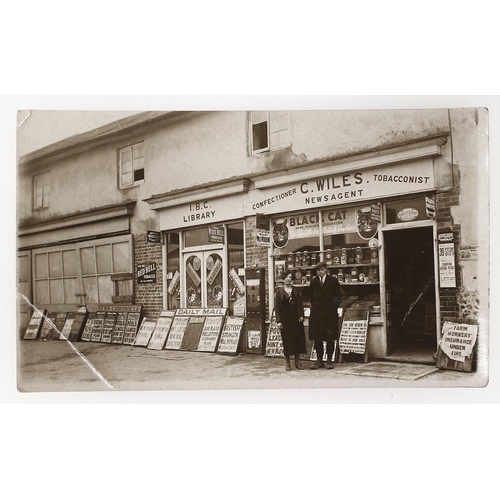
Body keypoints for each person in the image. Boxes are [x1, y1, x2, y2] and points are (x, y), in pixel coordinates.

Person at [308, 261, 342, 369]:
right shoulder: (313, 282)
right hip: (317, 313)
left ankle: (329, 360)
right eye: (318, 270)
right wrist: (315, 308)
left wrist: (333, 307)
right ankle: (319, 360)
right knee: (317, 338)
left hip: (329, 313)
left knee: (329, 337)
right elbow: (312, 297)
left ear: (326, 269)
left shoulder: (333, 281)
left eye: (322, 269)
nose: (320, 272)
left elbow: (338, 296)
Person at [275, 272, 306, 371]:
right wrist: (278, 321)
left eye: (290, 277)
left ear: (292, 280)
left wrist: (301, 315)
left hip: (296, 319)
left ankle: (297, 362)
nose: (288, 279)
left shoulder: (296, 291)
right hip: (285, 321)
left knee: (297, 340)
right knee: (287, 341)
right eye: (286, 277)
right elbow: (277, 307)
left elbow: (300, 304)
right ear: (283, 279)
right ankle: (287, 363)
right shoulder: (279, 292)